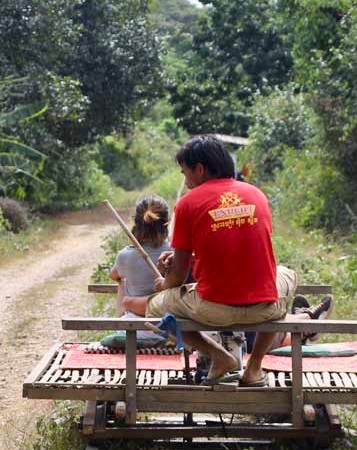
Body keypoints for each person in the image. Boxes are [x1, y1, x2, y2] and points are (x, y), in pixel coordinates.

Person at [122, 135, 303, 386]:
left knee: (155, 307)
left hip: (214, 309)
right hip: (266, 307)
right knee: (286, 274)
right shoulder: (256, 194)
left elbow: (179, 274)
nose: (185, 181)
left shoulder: (188, 203)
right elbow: (240, 244)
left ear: (199, 169)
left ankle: (218, 355)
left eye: (185, 172)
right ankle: (253, 369)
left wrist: (165, 284)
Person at [107, 195, 171, 345]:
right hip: (170, 328)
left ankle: (119, 320)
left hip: (134, 330)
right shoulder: (175, 253)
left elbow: (113, 275)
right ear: (166, 223)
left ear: (136, 223)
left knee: (122, 281)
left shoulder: (125, 255)